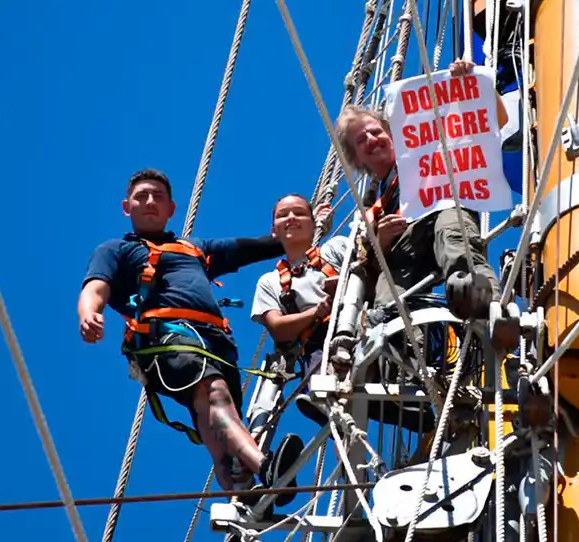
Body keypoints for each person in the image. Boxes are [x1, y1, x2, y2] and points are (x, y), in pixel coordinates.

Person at [77, 168, 305, 508]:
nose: (150, 202)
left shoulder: (195, 248)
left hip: (215, 342)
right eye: (142, 197)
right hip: (166, 338)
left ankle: (242, 500)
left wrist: (297, 232)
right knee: (213, 395)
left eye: (158, 197)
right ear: (127, 207)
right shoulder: (117, 249)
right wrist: (88, 313)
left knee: (214, 421)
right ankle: (266, 468)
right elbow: (95, 286)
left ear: (172, 208)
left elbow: (251, 248)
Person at [335, 59, 509, 319]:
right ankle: (395, 343)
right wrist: (381, 242)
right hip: (407, 244)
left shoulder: (433, 148)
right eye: (361, 140)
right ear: (357, 159)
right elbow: (366, 271)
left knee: (451, 233)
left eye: (375, 132)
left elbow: (495, 121)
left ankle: (484, 302)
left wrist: (471, 82)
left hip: (447, 210)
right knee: (389, 286)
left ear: (391, 133)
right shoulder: (374, 211)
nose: (372, 139)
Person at [251, 193, 436, 433]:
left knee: (380, 331)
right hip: (320, 341)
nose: (291, 218)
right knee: (323, 374)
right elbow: (277, 327)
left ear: (314, 221)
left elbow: (373, 282)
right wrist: (316, 312)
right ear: (274, 230)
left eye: (299, 213)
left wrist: (347, 286)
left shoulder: (337, 248)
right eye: (282, 215)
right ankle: (332, 411)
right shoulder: (271, 282)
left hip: (362, 323)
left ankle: (403, 401)